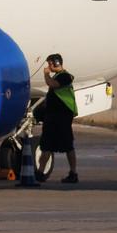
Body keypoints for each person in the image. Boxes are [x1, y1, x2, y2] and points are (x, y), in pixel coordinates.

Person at [35, 57, 80, 185]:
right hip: (52, 117)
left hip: (62, 118)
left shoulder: (65, 76)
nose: (48, 66)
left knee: (67, 146)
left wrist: (46, 74)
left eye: (50, 63)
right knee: (46, 145)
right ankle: (40, 172)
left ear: (57, 63)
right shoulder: (57, 76)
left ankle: (73, 173)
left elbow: (52, 85)